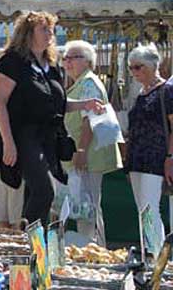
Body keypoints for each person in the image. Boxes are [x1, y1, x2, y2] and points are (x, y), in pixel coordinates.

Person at [0, 11, 103, 225]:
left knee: (34, 193)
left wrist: (84, 104)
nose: (50, 33)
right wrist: (7, 142)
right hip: (23, 134)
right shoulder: (12, 62)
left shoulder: (51, 65)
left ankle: (32, 247)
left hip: (48, 137)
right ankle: (33, 244)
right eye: (44, 29)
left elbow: (57, 104)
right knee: (45, 190)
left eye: (51, 29)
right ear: (28, 33)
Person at [62, 41, 122, 245]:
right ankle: (89, 248)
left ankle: (94, 250)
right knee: (84, 208)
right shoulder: (79, 83)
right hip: (84, 154)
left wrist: (81, 150)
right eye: (65, 58)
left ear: (88, 61)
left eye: (73, 57)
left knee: (88, 208)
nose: (67, 62)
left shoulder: (89, 83)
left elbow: (89, 120)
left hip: (88, 156)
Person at [125, 43, 173, 243]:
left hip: (157, 157)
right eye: (131, 67)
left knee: (150, 209)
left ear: (153, 66)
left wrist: (170, 157)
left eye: (139, 67)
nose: (134, 72)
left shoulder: (166, 91)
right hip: (137, 158)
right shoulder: (140, 93)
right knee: (143, 210)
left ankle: (156, 256)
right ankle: (151, 254)